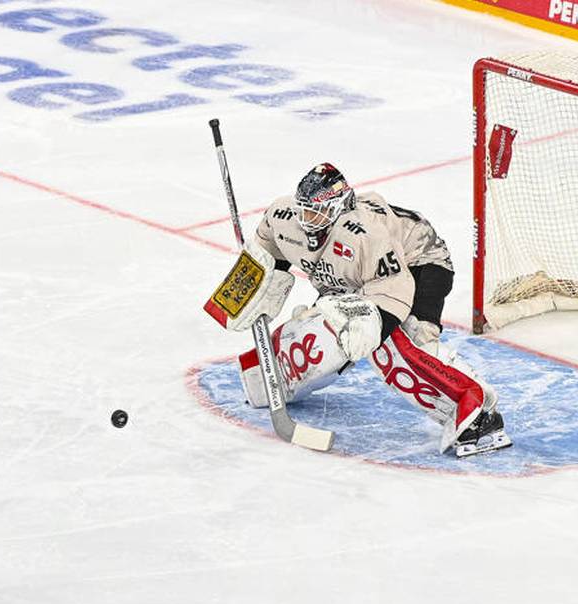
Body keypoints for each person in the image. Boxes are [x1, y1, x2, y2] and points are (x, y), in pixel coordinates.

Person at [204, 163, 511, 457]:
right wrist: (252, 284)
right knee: (326, 328)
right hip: (354, 275)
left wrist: (374, 324)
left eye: (317, 212)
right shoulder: (283, 216)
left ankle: (477, 412)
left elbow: (394, 289)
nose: (308, 219)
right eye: (305, 211)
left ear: (338, 207)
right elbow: (268, 247)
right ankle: (275, 374)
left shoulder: (366, 234)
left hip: (418, 265)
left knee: (396, 346)